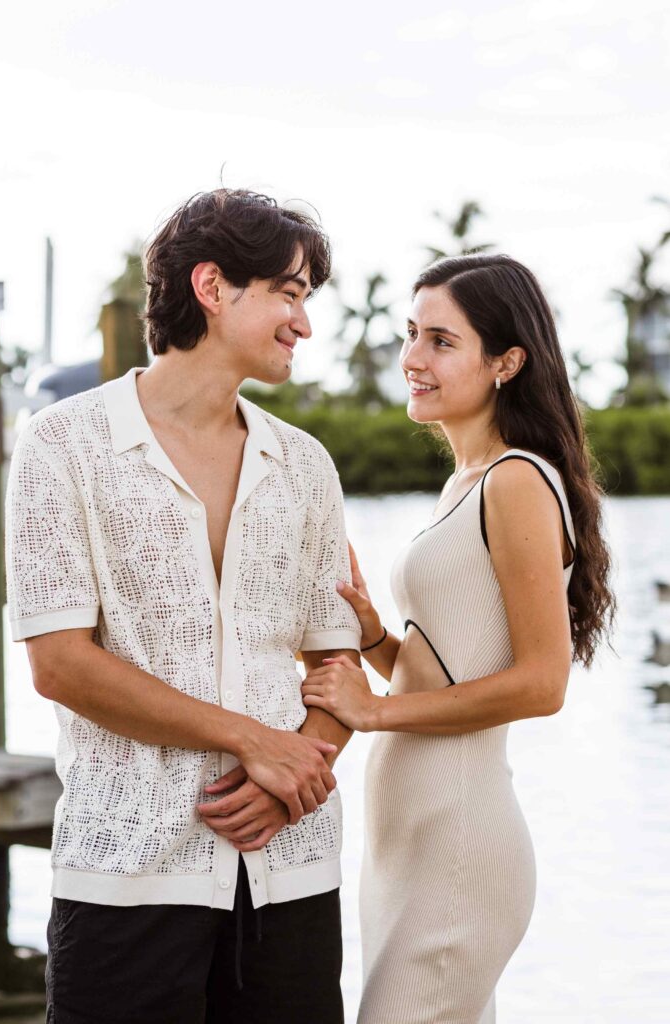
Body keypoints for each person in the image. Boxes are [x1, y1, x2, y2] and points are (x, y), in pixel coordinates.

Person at [5, 189, 361, 1024]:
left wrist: (291, 778)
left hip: (289, 870)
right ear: (211, 286)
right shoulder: (62, 444)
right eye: (288, 293)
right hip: (124, 873)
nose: (303, 323)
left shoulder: (305, 464)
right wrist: (252, 740)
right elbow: (61, 666)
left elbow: (335, 663)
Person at [301, 253, 615, 1024]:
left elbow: (540, 685)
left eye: (441, 341)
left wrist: (373, 711)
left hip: (458, 840)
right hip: (409, 841)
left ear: (506, 361)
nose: (412, 357)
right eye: (411, 333)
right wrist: (377, 638)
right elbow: (450, 669)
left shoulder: (515, 481)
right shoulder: (464, 483)